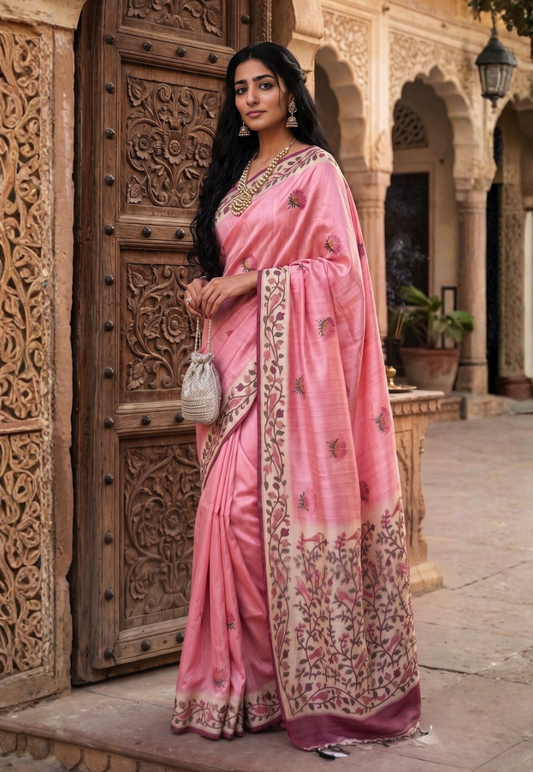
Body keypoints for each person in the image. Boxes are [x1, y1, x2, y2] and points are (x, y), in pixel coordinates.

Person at [171, 41, 421, 752]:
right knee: (224, 517)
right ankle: (248, 689)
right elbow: (226, 260)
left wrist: (256, 281)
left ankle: (307, 680)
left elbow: (342, 274)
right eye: (240, 89)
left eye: (263, 85)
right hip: (233, 358)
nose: (250, 99)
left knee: (247, 514)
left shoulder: (317, 170)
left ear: (288, 93)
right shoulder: (235, 175)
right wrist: (206, 287)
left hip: (289, 369)